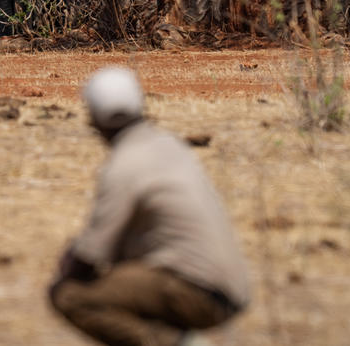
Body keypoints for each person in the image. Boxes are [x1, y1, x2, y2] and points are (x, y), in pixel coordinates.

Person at [50, 67, 249, 346]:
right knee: (122, 277)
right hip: (234, 287)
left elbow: (91, 255)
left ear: (93, 119)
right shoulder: (168, 144)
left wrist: (67, 269)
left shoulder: (122, 166)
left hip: (196, 290)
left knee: (69, 295)